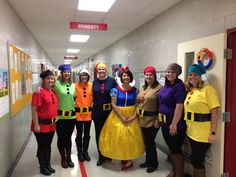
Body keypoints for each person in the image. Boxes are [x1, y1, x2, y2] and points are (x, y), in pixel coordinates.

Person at [99, 66, 145, 170]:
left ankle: (129, 160)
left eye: (128, 76)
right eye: (124, 76)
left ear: (131, 78)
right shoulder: (114, 90)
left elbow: (137, 104)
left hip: (132, 114)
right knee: (119, 136)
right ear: (121, 77)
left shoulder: (135, 90)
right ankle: (121, 156)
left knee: (130, 138)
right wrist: (122, 117)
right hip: (117, 115)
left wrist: (134, 116)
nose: (126, 77)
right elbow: (113, 104)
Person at [184, 64, 220, 177]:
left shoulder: (208, 89)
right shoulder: (190, 90)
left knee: (196, 161)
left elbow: (214, 111)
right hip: (191, 132)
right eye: (190, 74)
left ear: (200, 76)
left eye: (195, 74)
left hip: (203, 133)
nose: (192, 77)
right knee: (196, 161)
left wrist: (213, 132)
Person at [158, 63, 187, 177]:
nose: (169, 74)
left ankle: (179, 173)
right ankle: (174, 171)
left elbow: (179, 106)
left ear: (177, 74)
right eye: (168, 71)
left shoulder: (179, 86)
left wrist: (174, 124)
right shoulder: (166, 85)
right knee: (171, 149)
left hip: (175, 125)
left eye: (172, 72)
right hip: (164, 123)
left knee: (176, 149)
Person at [31, 70, 59, 176]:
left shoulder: (53, 91)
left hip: (51, 125)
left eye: (52, 78)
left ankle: (48, 164)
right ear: (44, 80)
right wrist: (36, 125)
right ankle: (42, 166)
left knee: (48, 145)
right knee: (42, 146)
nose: (50, 80)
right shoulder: (39, 92)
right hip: (41, 125)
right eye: (48, 78)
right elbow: (34, 109)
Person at [136, 66, 162, 173]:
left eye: (151, 75)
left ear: (154, 76)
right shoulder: (143, 87)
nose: (148, 76)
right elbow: (138, 101)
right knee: (146, 142)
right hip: (141, 119)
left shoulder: (159, 88)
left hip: (152, 119)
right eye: (147, 75)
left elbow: (161, 105)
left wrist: (158, 120)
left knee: (150, 142)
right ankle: (148, 161)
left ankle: (154, 163)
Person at [92, 63, 117, 166]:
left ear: (106, 70)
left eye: (103, 69)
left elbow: (117, 94)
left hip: (109, 111)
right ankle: (101, 155)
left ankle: (108, 153)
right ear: (97, 71)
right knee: (99, 133)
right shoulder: (94, 82)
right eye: (99, 69)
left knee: (109, 133)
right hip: (98, 111)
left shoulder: (112, 81)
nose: (101, 71)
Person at [54, 64, 76, 168]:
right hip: (60, 117)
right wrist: (39, 88)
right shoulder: (56, 84)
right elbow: (47, 85)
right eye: (65, 72)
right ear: (61, 73)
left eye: (68, 72)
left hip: (71, 117)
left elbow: (75, 98)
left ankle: (69, 157)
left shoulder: (73, 85)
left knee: (68, 138)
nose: (67, 74)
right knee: (61, 138)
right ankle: (63, 158)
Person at [75, 68, 93, 162]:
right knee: (79, 134)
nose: (84, 77)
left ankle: (85, 152)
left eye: (86, 75)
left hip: (88, 115)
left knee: (87, 134)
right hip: (78, 114)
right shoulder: (75, 86)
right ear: (80, 76)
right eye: (82, 75)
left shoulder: (91, 85)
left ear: (88, 76)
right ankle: (79, 152)